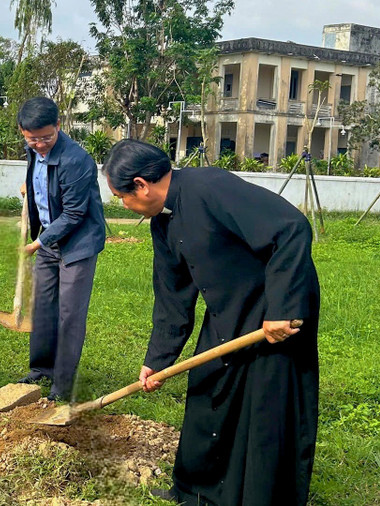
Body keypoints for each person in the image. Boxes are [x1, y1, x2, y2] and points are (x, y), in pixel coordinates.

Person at [102, 139, 320, 505]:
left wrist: (282, 308)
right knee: (208, 390)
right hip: (228, 310)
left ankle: (258, 495)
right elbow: (172, 297)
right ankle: (196, 490)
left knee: (263, 404)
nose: (124, 205)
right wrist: (156, 361)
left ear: (141, 185)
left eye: (121, 197)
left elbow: (292, 228)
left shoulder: (211, 187)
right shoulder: (162, 223)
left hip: (274, 308)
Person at [16, 97, 106, 401]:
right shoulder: (33, 150)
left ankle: (62, 385)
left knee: (69, 313)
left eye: (46, 138)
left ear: (59, 125)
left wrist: (37, 243)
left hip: (77, 244)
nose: (39, 144)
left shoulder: (76, 160)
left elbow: (74, 214)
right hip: (49, 240)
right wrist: (31, 187)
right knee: (43, 306)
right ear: (23, 133)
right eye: (32, 139)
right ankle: (41, 369)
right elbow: (44, 181)